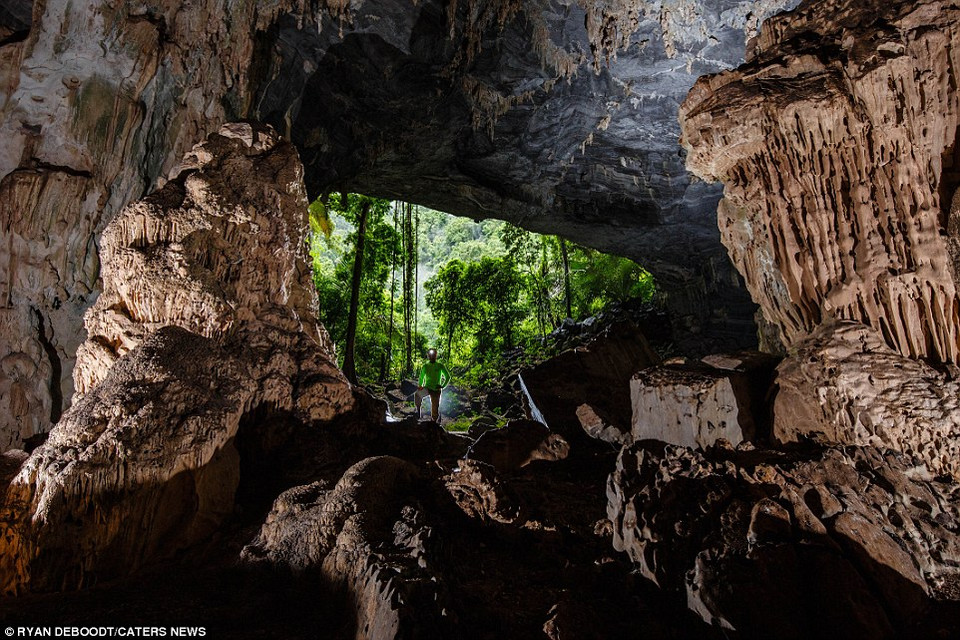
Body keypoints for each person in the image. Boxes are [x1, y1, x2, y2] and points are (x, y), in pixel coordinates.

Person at [415, 348, 450, 422]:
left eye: (433, 354)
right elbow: (421, 377)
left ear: (436, 355)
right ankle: (418, 413)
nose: (432, 356)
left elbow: (447, 376)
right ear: (428, 356)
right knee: (417, 395)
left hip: (436, 389)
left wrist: (442, 385)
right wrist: (420, 385)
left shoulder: (440, 366)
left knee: (435, 408)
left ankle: (434, 422)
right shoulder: (425, 366)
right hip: (427, 387)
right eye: (430, 354)